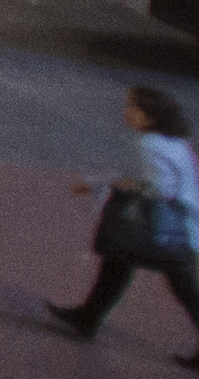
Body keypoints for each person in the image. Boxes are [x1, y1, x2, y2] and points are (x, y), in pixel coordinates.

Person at [49, 83, 199, 353]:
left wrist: (103, 186)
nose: (126, 111)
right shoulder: (174, 141)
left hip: (167, 229)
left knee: (182, 286)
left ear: (149, 117)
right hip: (183, 225)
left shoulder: (150, 144)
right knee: (118, 263)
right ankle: (87, 317)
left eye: (133, 107)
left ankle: (87, 318)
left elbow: (157, 188)